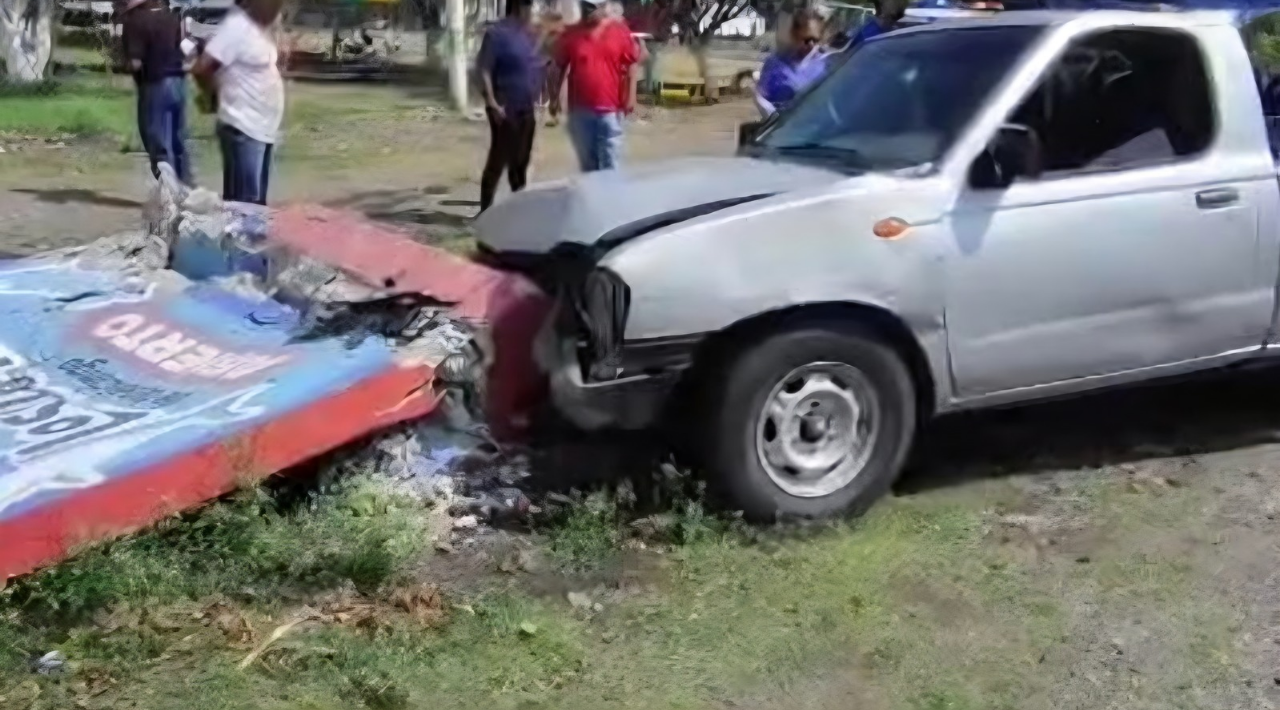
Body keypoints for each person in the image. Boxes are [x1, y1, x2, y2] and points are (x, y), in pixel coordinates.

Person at [193, 0, 285, 205]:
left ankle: (250, 236)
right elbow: (202, 68)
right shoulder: (236, 26)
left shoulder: (259, 28)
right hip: (242, 126)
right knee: (245, 203)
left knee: (255, 202)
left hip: (262, 127)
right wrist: (212, 96)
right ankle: (241, 237)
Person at [550, 0, 645, 172]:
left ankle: (610, 198)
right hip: (580, 110)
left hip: (610, 109)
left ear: (602, 7)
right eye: (583, 6)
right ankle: (593, 197)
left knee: (611, 164)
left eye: (590, 8)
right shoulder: (571, 34)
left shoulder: (619, 31)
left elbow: (633, 63)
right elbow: (560, 66)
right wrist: (555, 99)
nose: (586, 11)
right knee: (588, 166)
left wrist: (631, 98)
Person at [476, 0, 543, 212]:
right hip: (505, 107)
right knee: (499, 159)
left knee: (521, 160)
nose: (531, 10)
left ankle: (519, 208)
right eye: (528, 6)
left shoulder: (528, 34)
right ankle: (485, 210)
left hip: (526, 106)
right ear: (517, 7)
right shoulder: (497, 34)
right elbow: (484, 69)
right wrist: (492, 102)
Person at [121, 0, 191, 184]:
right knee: (176, 139)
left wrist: (127, 63)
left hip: (154, 83)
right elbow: (182, 49)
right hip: (178, 82)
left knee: (157, 140)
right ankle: (186, 187)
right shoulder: (172, 18)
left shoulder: (135, 20)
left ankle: (168, 191)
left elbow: (135, 62)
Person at [755, 10, 831, 118]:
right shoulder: (774, 66)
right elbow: (764, 100)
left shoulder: (826, 68)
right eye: (807, 40)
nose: (811, 45)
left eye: (816, 40)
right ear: (794, 34)